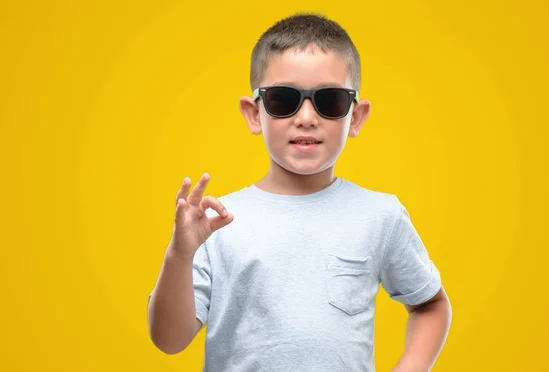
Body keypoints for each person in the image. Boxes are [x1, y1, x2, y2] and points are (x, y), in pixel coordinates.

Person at [147, 13, 452, 372]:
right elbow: (169, 340)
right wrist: (179, 254)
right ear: (252, 113)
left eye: (331, 100)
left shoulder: (380, 215)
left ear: (355, 117)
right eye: (282, 99)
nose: (306, 117)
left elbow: (430, 305)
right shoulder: (214, 222)